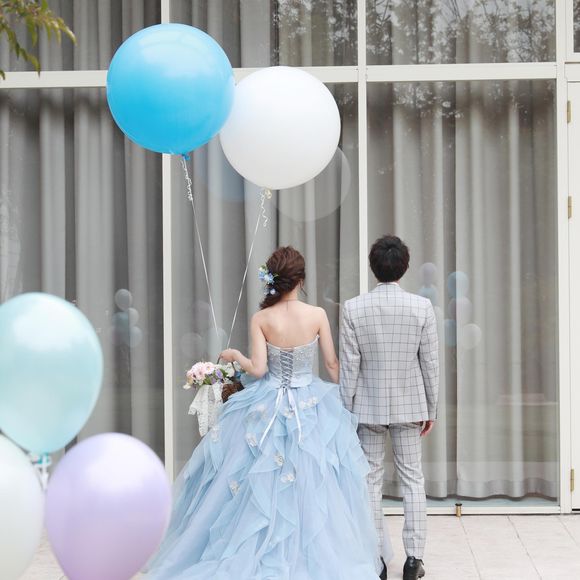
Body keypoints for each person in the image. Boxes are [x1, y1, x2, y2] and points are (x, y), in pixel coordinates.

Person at [144, 246, 388, 579]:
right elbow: (332, 365)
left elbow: (257, 369)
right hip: (310, 405)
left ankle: (255, 543)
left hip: (267, 403)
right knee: (315, 477)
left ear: (273, 280)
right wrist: (351, 398)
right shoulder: (317, 314)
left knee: (251, 478)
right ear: (300, 280)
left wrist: (234, 355)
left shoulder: (262, 318)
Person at [340, 235, 439, 580]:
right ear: (404, 267)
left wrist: (346, 410)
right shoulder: (421, 307)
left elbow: (349, 367)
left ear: (373, 267)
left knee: (370, 481)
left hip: (367, 408)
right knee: (412, 479)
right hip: (410, 406)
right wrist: (431, 409)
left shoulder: (353, 308)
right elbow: (430, 363)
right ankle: (413, 560)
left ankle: (377, 561)